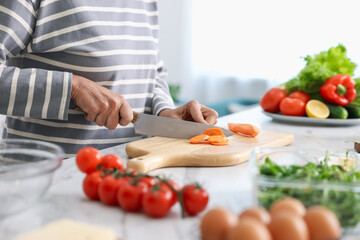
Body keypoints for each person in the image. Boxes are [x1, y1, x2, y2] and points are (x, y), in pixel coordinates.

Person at [0, 0, 218, 157]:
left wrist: (164, 112)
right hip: (45, 184)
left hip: (123, 182)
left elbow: (154, 71)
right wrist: (72, 88)